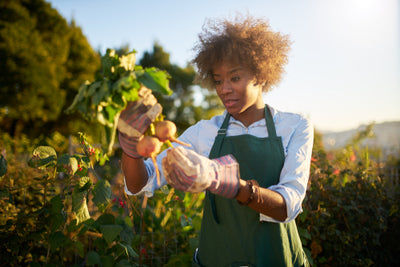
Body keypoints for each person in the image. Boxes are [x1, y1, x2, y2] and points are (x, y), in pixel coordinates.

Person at [118, 14, 314, 267]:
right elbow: (139, 184)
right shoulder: (203, 132)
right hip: (216, 258)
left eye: (234, 78)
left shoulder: (294, 126)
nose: (224, 89)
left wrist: (230, 184)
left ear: (261, 75)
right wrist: (131, 148)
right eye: (218, 81)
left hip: (276, 257)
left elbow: (288, 205)